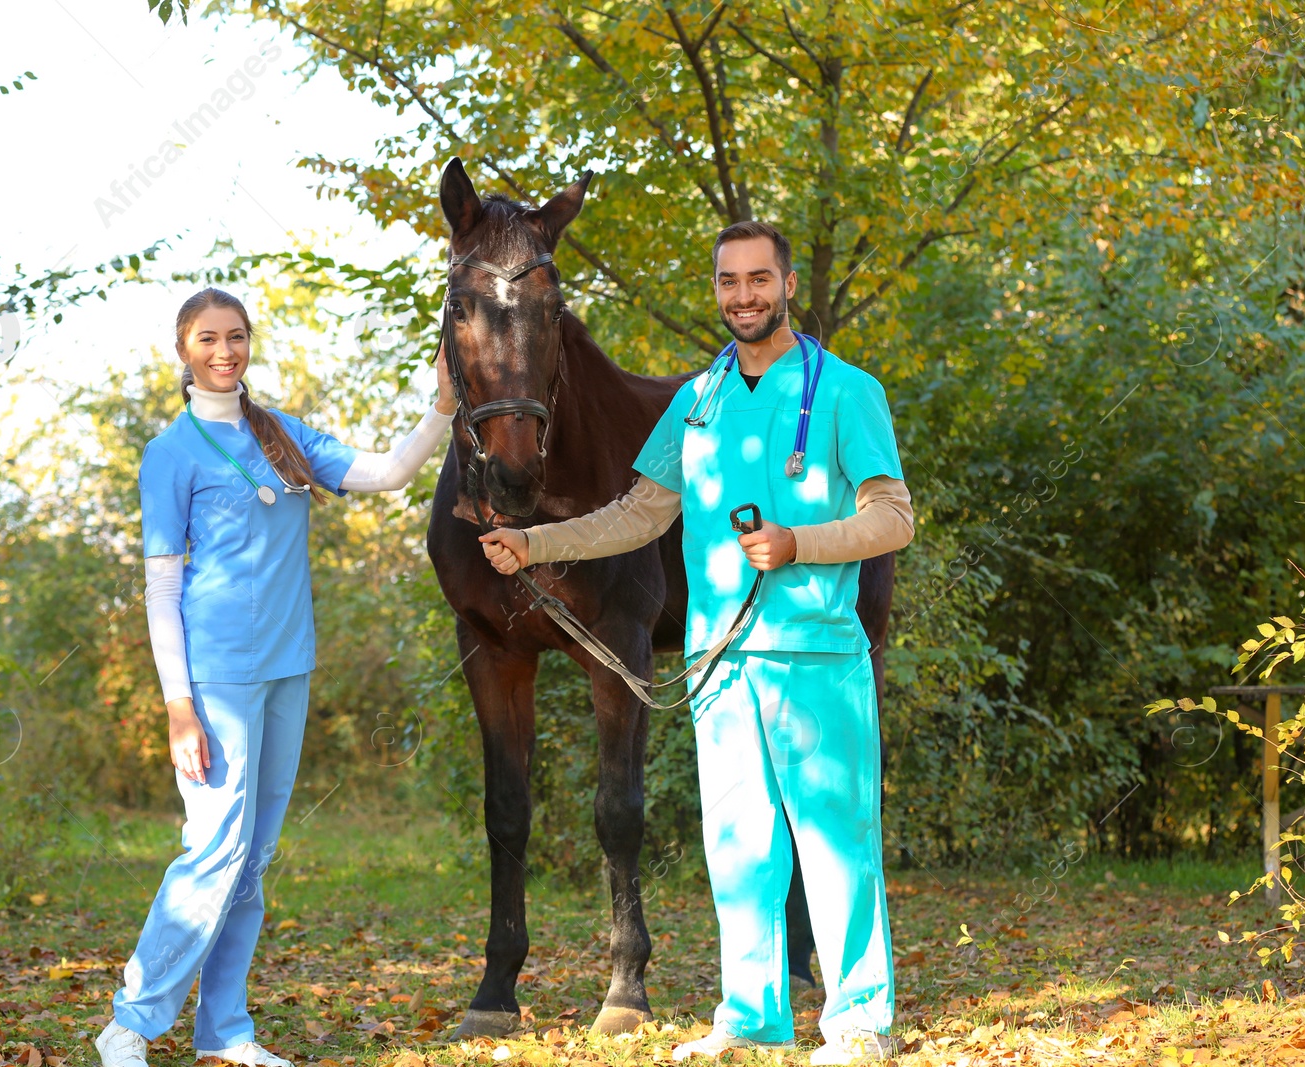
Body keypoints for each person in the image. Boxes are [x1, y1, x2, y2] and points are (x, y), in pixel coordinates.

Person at [478, 222, 915, 1064]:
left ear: (786, 286)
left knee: (834, 843)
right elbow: (640, 513)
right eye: (728, 281)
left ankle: (861, 1023)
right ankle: (752, 1018)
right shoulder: (701, 399)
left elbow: (894, 516)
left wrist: (801, 543)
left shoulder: (846, 391)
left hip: (816, 656)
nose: (743, 296)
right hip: (720, 665)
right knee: (740, 848)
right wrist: (536, 544)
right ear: (716, 290)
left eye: (759, 279)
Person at [95, 287, 456, 1067]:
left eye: (235, 337)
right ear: (183, 351)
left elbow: (390, 473)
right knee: (214, 850)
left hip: (289, 666)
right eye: (207, 339)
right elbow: (162, 587)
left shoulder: (282, 433)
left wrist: (444, 404)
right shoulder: (171, 452)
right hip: (215, 678)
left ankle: (224, 1033)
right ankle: (129, 1022)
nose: (224, 352)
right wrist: (176, 706)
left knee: (252, 860)